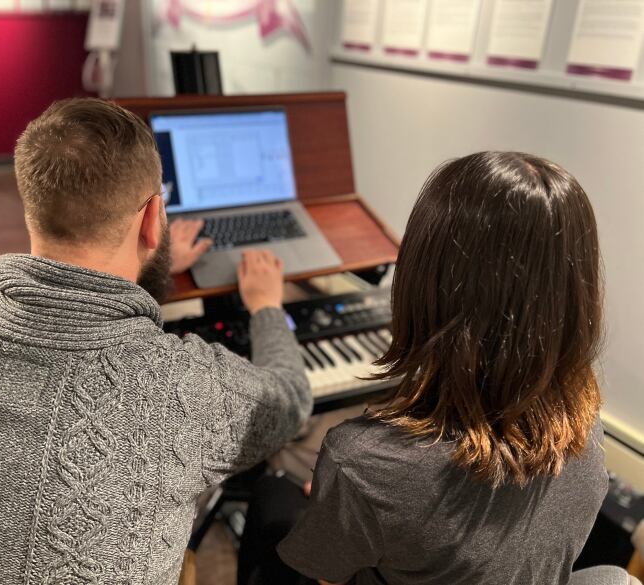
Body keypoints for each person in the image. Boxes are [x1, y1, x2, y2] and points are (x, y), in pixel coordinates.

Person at [0, 98, 313, 584]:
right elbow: (291, 398)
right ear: (151, 219)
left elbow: (78, 304)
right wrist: (267, 305)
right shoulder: (185, 390)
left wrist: (152, 262)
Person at [239, 152, 607, 585]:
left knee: (272, 496)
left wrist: (350, 497)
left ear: (421, 278)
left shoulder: (362, 460)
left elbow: (330, 576)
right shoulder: (587, 421)